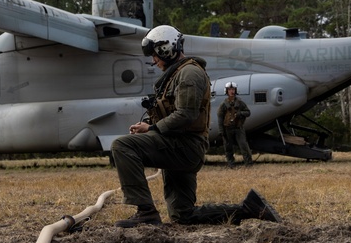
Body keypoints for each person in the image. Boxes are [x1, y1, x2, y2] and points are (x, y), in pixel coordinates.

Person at [111, 25, 281, 227]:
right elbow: (175, 113)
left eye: (155, 54)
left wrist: (152, 129)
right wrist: (149, 124)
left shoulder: (189, 74)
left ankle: (145, 212)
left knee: (122, 146)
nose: (153, 60)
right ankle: (249, 209)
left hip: (183, 147)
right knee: (184, 217)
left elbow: (186, 114)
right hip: (177, 145)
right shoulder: (175, 76)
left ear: (166, 48)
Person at [217, 81, 252, 168]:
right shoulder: (223, 105)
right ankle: (231, 164)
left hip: (238, 128)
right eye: (230, 89)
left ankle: (248, 164)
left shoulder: (240, 103)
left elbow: (248, 112)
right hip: (227, 128)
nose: (231, 91)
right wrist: (221, 131)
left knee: (243, 145)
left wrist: (241, 114)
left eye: (233, 89)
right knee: (228, 147)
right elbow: (220, 118)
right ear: (226, 91)